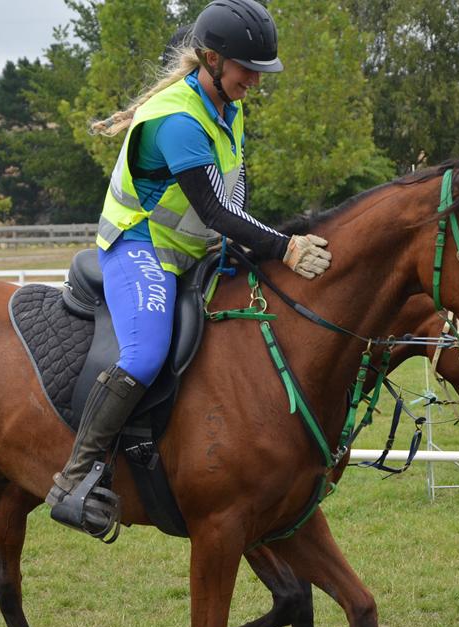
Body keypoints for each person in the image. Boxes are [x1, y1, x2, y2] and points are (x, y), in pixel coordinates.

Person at [47, 0, 333, 539]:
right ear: (211, 60)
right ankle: (75, 476)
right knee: (147, 352)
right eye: (248, 69)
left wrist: (260, 246)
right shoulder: (177, 121)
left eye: (260, 70)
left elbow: (236, 198)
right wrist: (285, 247)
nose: (255, 80)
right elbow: (215, 211)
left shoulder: (230, 107)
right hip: (141, 245)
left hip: (194, 249)